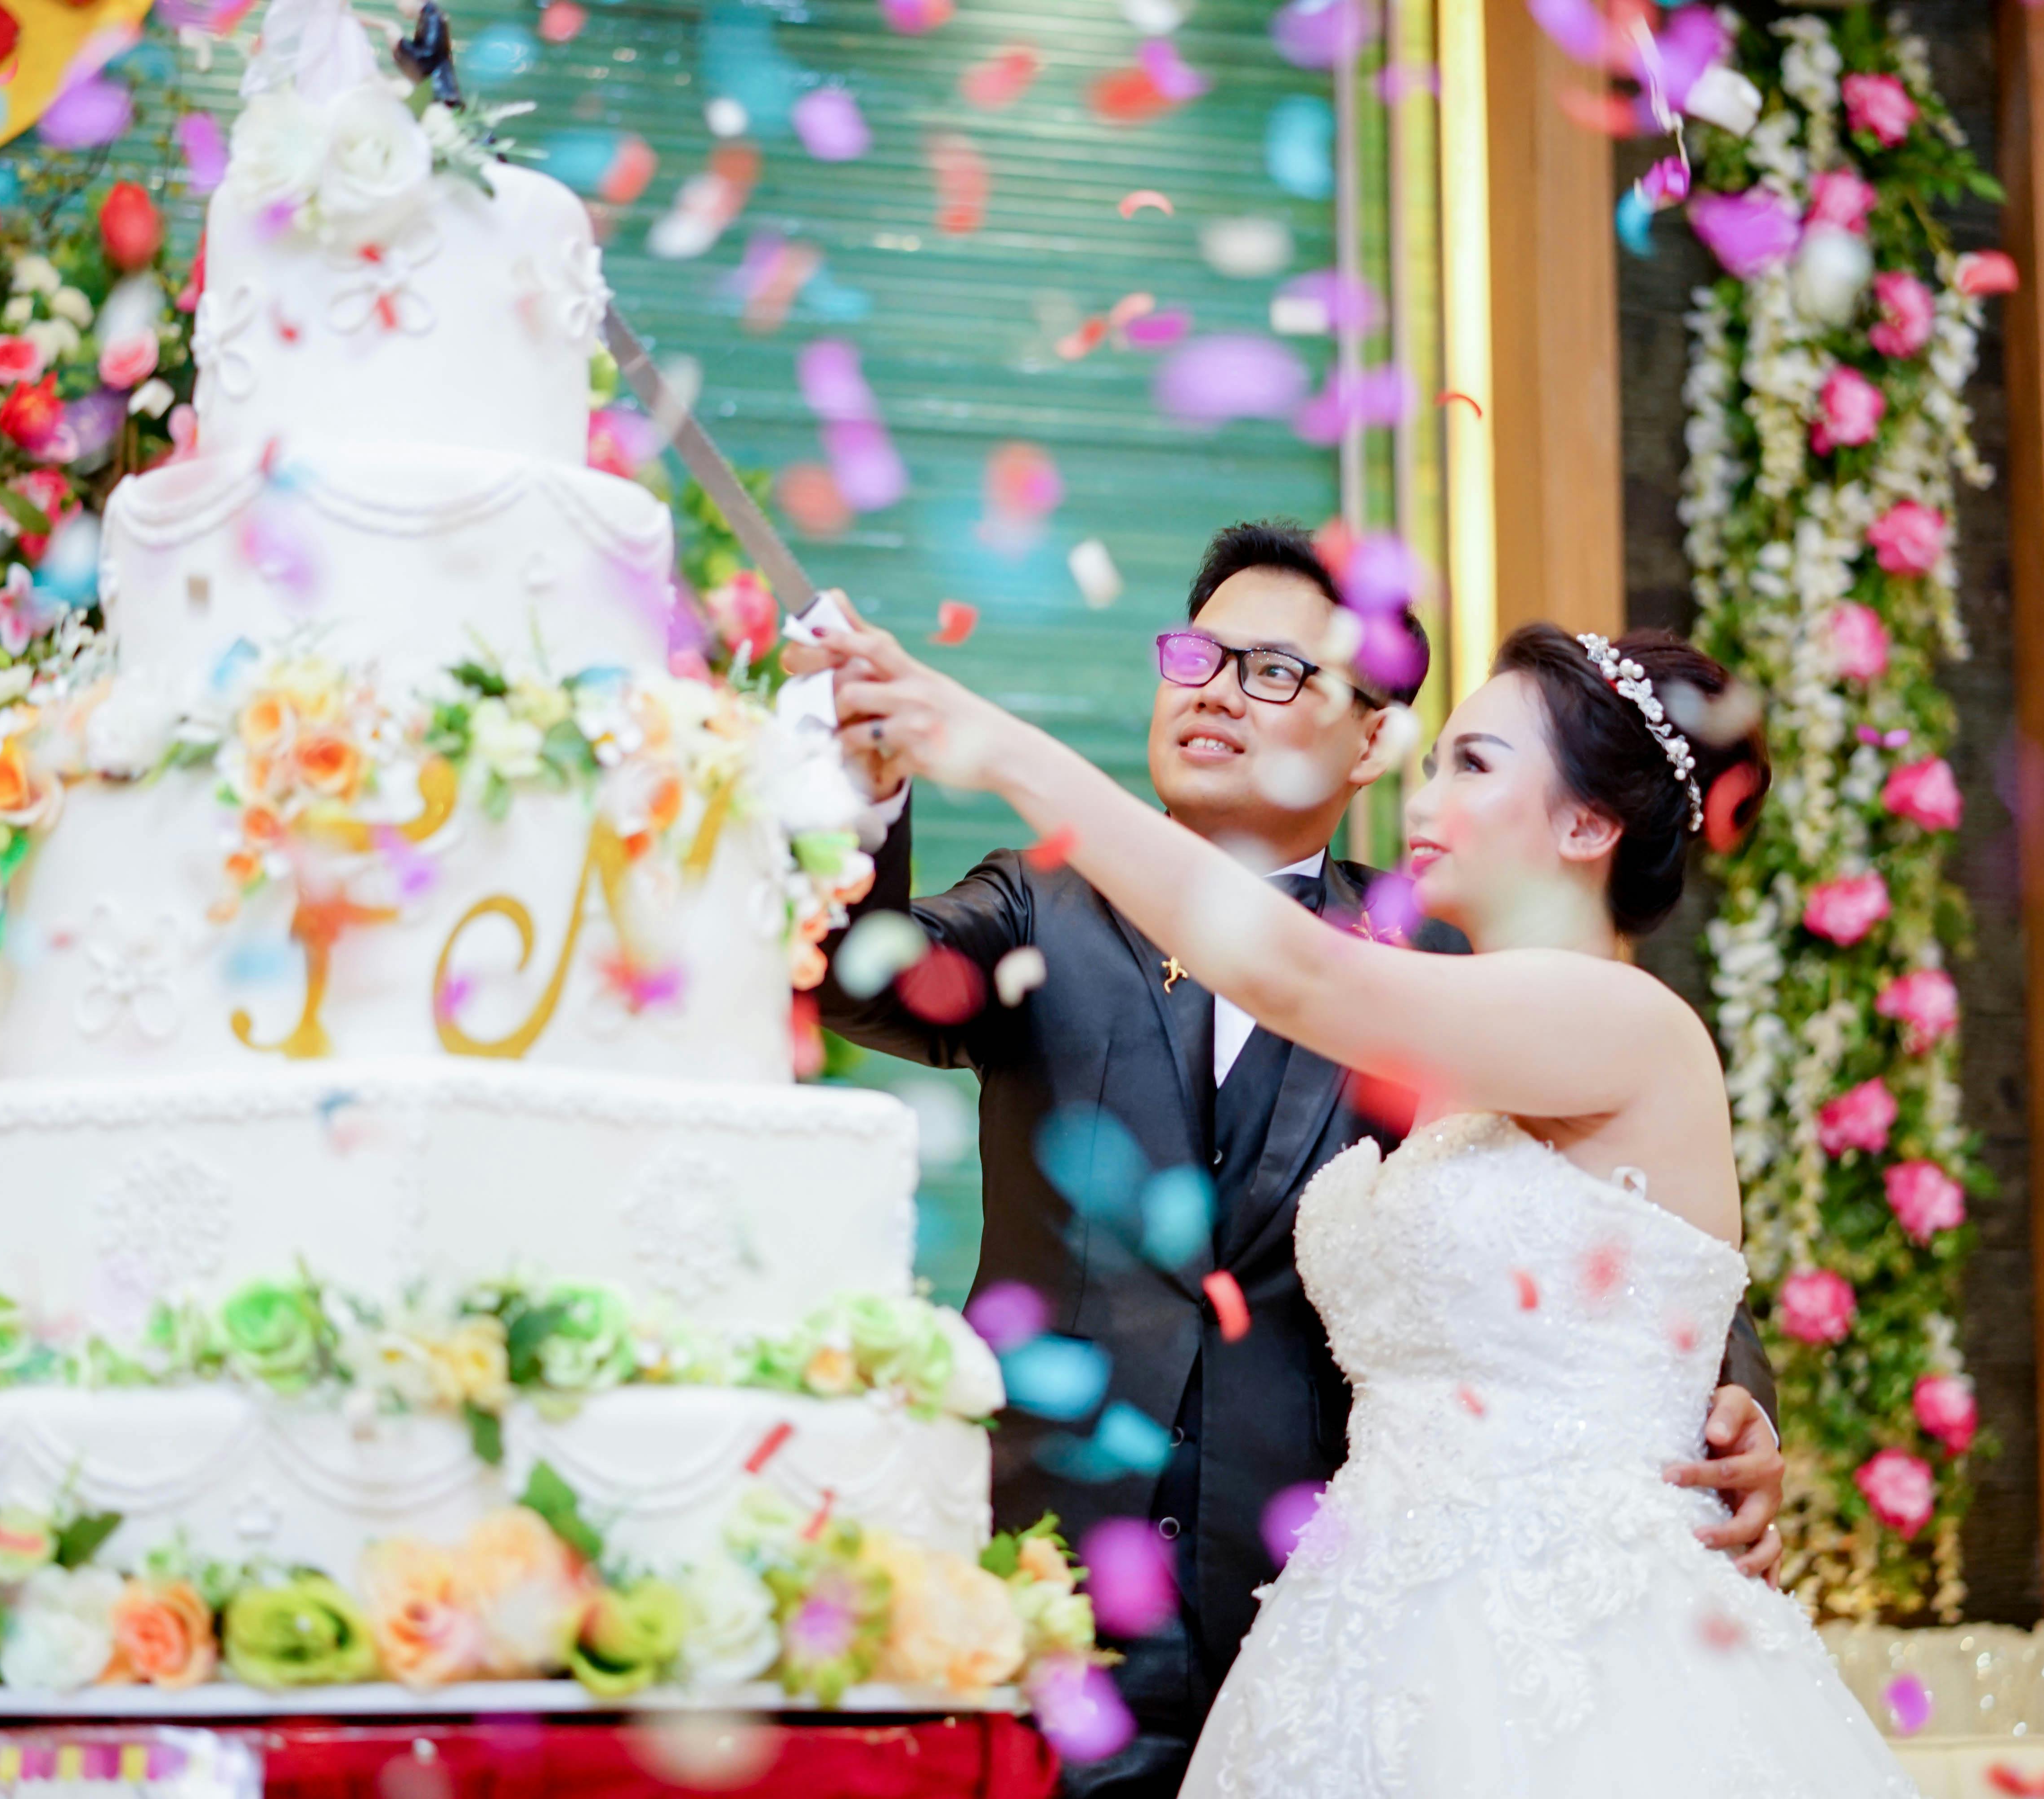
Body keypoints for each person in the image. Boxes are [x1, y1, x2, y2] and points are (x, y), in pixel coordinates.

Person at [806, 598, 1916, 1795]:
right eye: (1436, 767)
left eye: (1474, 766)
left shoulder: (1565, 1010)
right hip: (1313, 1622)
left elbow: (1305, 981)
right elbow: (1615, 1263)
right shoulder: (1436, 1024)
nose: (1429, 805)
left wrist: (1722, 1400)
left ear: (1589, 820)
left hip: (1545, 1639)